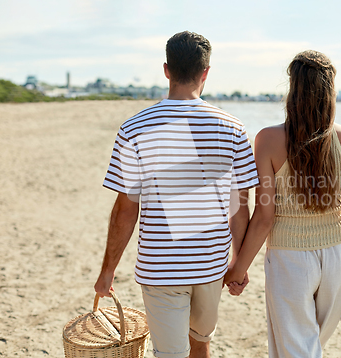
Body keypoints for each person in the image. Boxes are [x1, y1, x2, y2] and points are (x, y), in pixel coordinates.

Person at [94, 31, 259, 358]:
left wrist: (107, 270)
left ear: (167, 69)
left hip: (161, 268)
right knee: (201, 342)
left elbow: (126, 210)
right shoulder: (233, 128)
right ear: (206, 72)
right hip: (211, 265)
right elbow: (240, 207)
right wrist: (239, 262)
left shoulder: (134, 128)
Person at [224, 50, 341, 357]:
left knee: (297, 349)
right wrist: (340, 213)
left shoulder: (267, 140)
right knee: (310, 347)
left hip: (289, 260)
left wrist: (239, 268)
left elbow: (265, 216)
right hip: (339, 258)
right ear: (330, 91)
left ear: (293, 90)